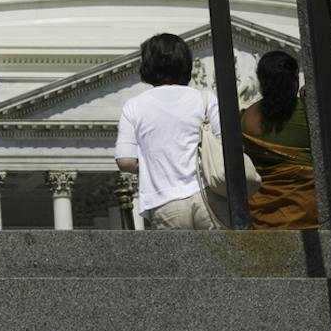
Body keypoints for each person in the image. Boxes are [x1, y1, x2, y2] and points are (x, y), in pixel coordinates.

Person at [114, 32, 224, 230]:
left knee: (177, 260)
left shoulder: (134, 106)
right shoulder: (205, 99)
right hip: (208, 196)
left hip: (164, 201)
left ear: (147, 65)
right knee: (218, 259)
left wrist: (153, 162)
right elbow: (226, 144)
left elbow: (125, 161)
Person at [242, 49, 319, 230]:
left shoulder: (246, 118)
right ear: (294, 78)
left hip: (261, 217)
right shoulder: (309, 112)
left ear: (261, 82)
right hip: (309, 213)